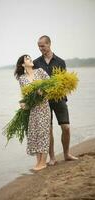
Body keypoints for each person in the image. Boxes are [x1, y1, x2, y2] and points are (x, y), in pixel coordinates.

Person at [33, 35, 78, 165]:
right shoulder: (36, 63)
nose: (41, 48)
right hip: (43, 101)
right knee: (49, 129)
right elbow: (35, 82)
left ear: (49, 44)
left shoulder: (60, 61)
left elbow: (64, 82)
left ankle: (66, 154)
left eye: (43, 46)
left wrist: (58, 88)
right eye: (39, 46)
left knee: (66, 127)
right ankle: (52, 158)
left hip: (59, 98)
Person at [14, 54, 51, 171]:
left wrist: (43, 91)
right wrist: (23, 103)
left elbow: (50, 84)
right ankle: (38, 162)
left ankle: (43, 162)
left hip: (43, 107)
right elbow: (25, 95)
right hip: (33, 110)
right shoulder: (22, 78)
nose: (31, 59)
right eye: (27, 59)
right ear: (23, 64)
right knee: (34, 134)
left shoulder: (40, 71)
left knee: (43, 133)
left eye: (30, 57)